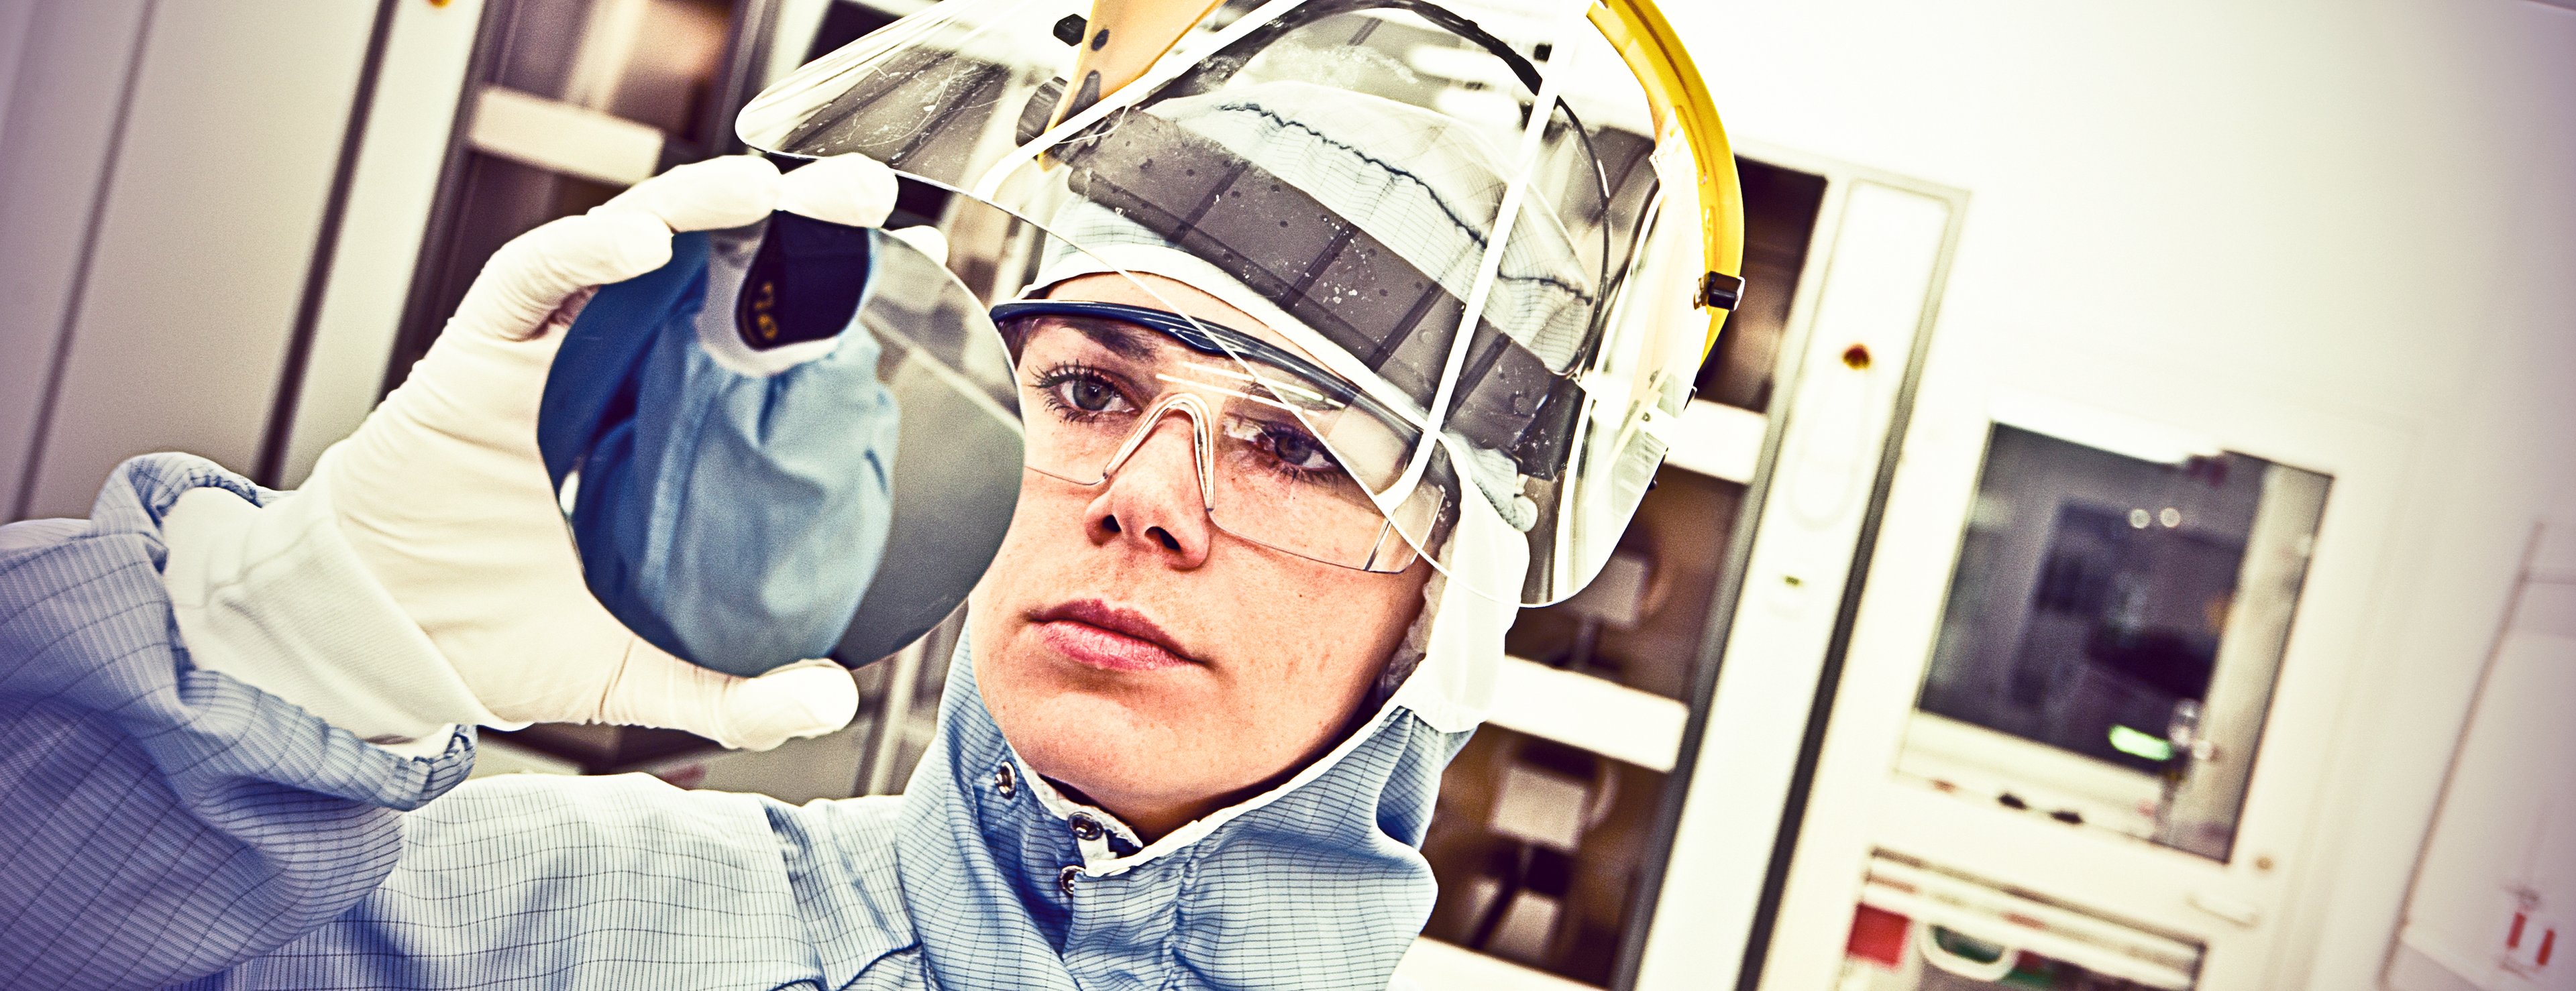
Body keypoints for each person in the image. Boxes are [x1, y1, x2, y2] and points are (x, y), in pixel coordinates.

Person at [0, 0, 1741, 986]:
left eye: (1292, 442)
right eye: (1088, 387)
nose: (1145, 500)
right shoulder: (528, 929)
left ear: (1446, 594)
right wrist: (297, 639)